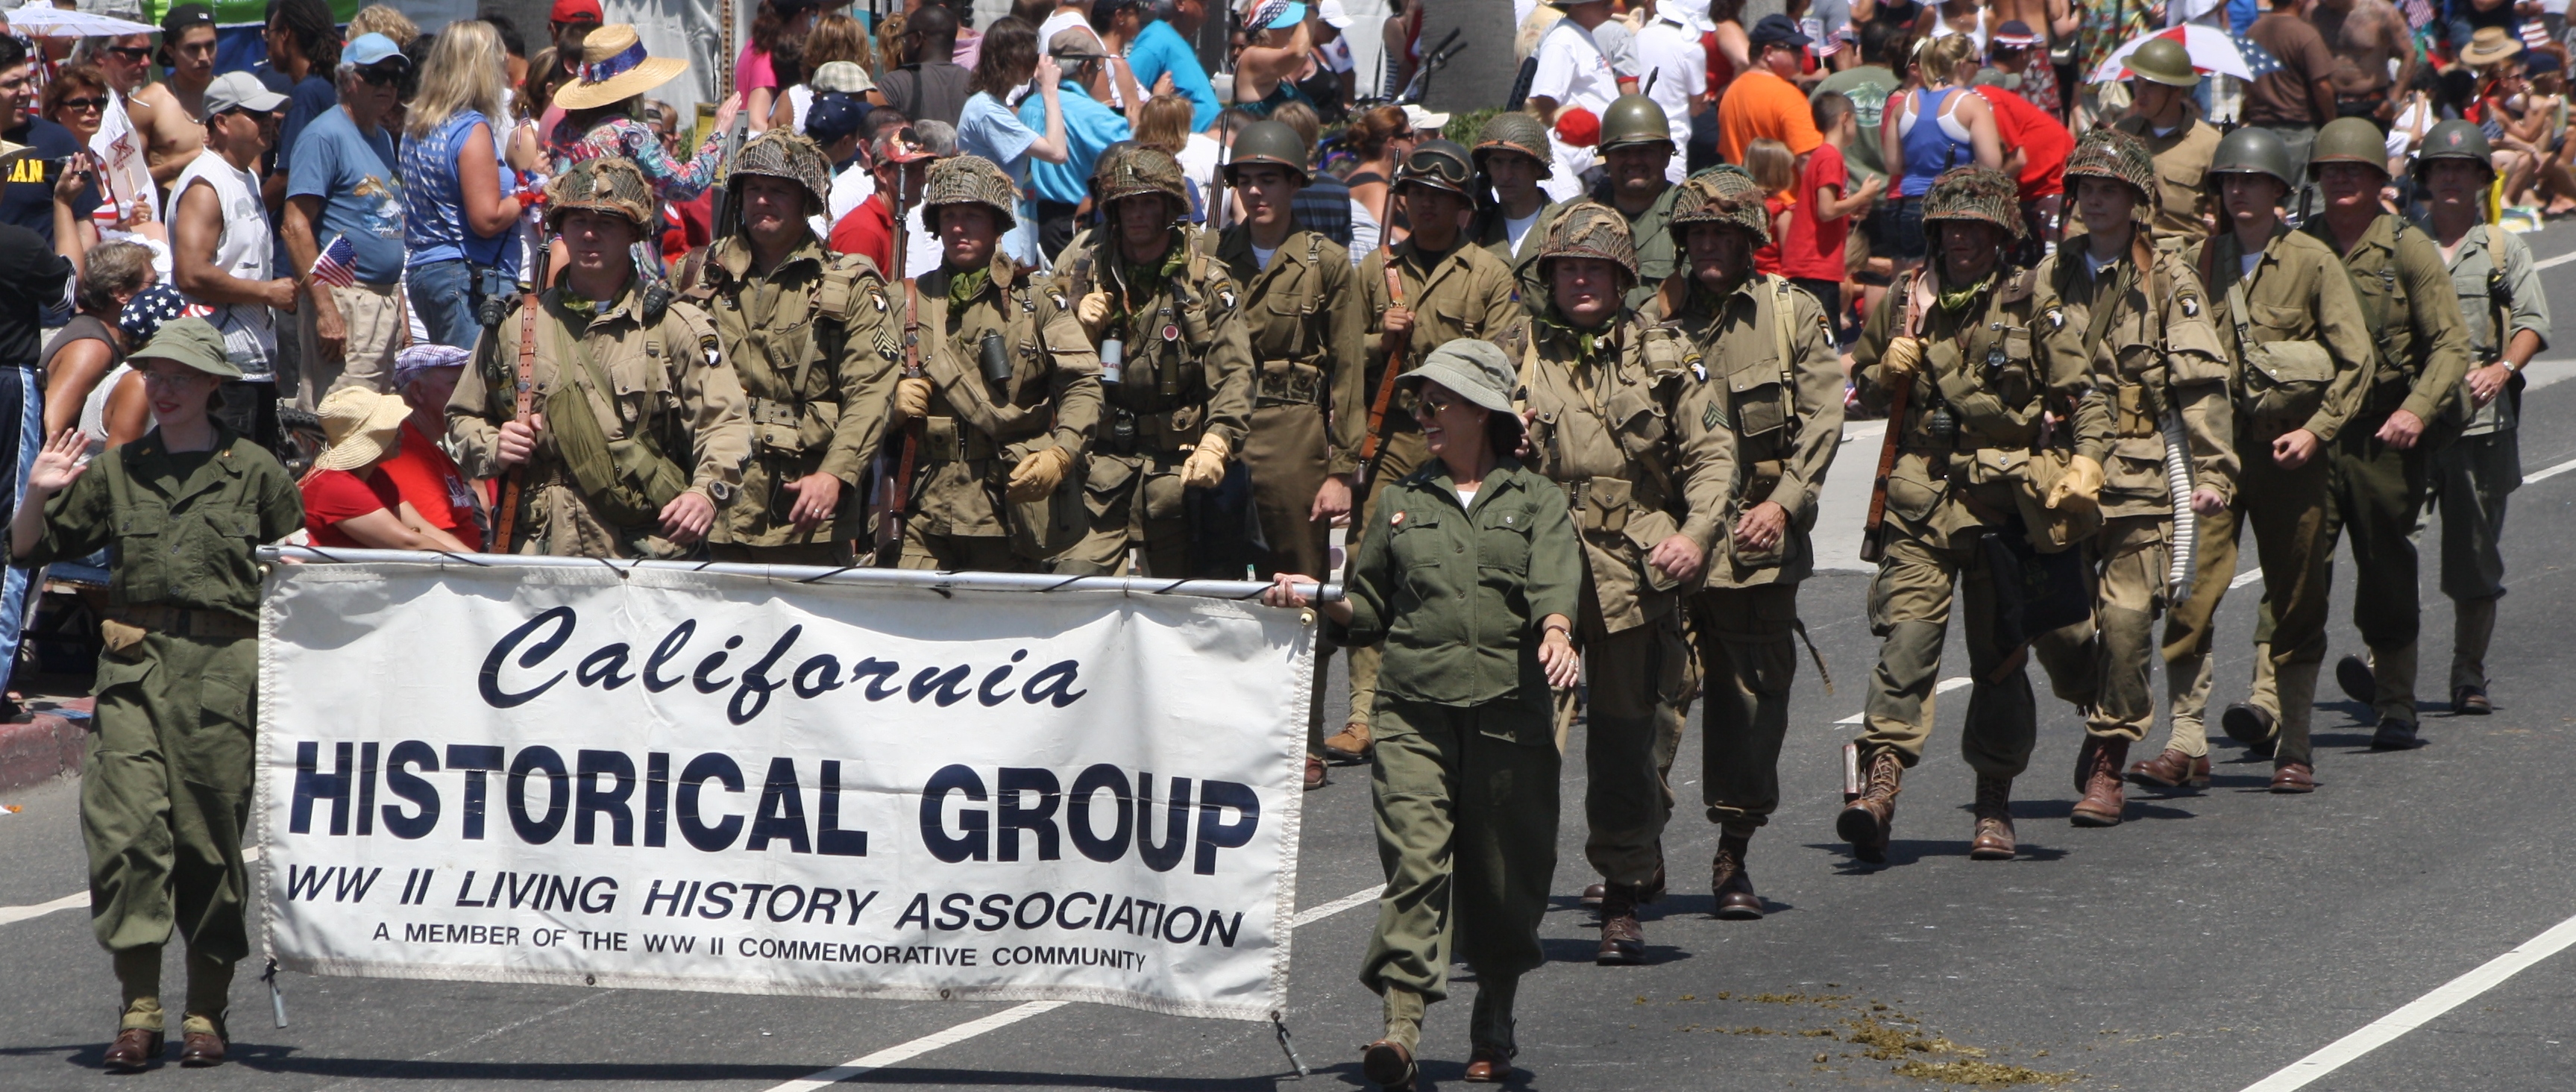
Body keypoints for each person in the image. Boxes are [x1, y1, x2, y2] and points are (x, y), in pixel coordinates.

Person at [1260, 338, 1582, 1092]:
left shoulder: (1536, 500)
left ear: (1483, 410)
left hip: (1508, 716)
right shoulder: (1403, 500)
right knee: (1415, 866)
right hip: (1413, 717)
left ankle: (1493, 1019)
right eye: (1422, 400)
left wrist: (1557, 633)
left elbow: (1554, 583)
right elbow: (1368, 604)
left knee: (1503, 876)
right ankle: (1400, 1031)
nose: (1424, 412)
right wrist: (1317, 595)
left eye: (1440, 400)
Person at [11, 316, 304, 1073]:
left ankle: (206, 1010)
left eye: (180, 377)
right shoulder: (120, 469)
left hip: (222, 674)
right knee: (125, 839)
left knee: (208, 848)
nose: (163, 389)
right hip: (133, 673)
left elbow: (298, 576)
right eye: (154, 375)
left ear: (214, 387)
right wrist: (37, 492)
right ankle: (139, 1012)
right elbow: (29, 547)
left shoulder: (256, 472)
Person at [1839, 166, 2111, 863]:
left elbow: (2082, 394)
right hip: (1918, 504)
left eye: (1976, 227)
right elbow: (1863, 391)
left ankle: (1994, 803)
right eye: (1951, 226)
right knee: (1906, 645)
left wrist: (2088, 460)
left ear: (2001, 234)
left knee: (1999, 662)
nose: (1962, 238)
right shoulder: (1904, 299)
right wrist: (1882, 374)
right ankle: (1880, 789)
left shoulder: (2031, 300)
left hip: (2002, 507)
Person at [1486, 202, 1716, 963]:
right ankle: (1508, 900)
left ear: (1622, 280)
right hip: (1531, 566)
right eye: (1567, 269)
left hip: (1629, 571)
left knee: (1623, 743)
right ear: (1548, 277)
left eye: (1595, 269)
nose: (1580, 281)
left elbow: (1712, 457)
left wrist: (1693, 535)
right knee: (1520, 745)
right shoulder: (1511, 354)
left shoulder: (1663, 354)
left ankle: (1622, 893)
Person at [2155, 127, 2371, 794]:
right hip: (2214, 455)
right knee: (2188, 593)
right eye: (2230, 180)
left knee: (2298, 599)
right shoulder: (2196, 261)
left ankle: (2295, 745)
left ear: (2280, 189)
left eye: (2252, 180)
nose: (2239, 191)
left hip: (2289, 455)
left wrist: (2317, 433)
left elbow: (2356, 361)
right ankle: (2186, 741)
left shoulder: (2312, 261)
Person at [2026, 129, 2233, 818]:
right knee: (2060, 632)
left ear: (2137, 200)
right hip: (2061, 474)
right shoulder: (2050, 275)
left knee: (2124, 623)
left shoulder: (2168, 278)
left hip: (2141, 472)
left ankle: (2108, 761)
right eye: (2086, 188)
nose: (2095, 201)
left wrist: (2214, 472)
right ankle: (2102, 708)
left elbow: (2201, 383)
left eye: (2109, 190)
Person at [1655, 169, 1841, 918]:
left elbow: (1824, 418)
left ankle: (1733, 852)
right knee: (1652, 700)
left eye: (1721, 233)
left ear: (1748, 241)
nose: (1707, 245)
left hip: (1756, 545)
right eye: (1696, 233)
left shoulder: (1790, 312)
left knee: (1752, 711)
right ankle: (1634, 848)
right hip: (1674, 544)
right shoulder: (1654, 320)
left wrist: (1785, 505)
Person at [1339, 141, 1524, 809]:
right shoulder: (1376, 270)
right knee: (1371, 567)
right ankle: (1364, 713)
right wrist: (1379, 341)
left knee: (1458, 568)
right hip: (1392, 437)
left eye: (1440, 197)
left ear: (1463, 206)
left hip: (1467, 442)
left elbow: (1506, 362)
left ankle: (1457, 695)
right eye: (1416, 194)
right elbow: (1344, 359)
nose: (1425, 205)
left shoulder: (1490, 274)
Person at [447, 157, 754, 559]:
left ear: (634, 232)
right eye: (578, 221)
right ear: (560, 229)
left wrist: (706, 493)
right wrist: (494, 444)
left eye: (606, 222)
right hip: (543, 547)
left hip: (640, 549)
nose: (590, 234)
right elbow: (462, 416)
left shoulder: (673, 325)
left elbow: (726, 421)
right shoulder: (517, 325)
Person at [2284, 118, 2472, 751]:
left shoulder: (2406, 247)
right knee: (2296, 569)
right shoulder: (2299, 246)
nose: (2341, 178)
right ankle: (2276, 707)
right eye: (2330, 169)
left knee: (2387, 569)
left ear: (2376, 179)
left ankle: (2395, 702)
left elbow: (2450, 344)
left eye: (2355, 170)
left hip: (2382, 437)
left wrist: (2417, 411)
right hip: (2313, 433)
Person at [1216, 120, 1364, 787]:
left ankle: (1302, 740)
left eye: (1269, 179)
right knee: (1225, 585)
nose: (1256, 192)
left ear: (1295, 184)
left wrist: (1342, 469)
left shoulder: (1325, 261)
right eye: (1246, 180)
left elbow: (1349, 369)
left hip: (1296, 428)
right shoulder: (1214, 255)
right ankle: (1233, 738)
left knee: (1300, 588)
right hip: (1222, 430)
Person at [882, 154, 1102, 570]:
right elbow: (859, 387)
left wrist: (1062, 453)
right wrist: (889, 405)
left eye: (972, 216)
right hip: (923, 509)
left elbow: (1082, 384)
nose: (958, 227)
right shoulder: (905, 301)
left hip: (1011, 511)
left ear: (998, 224)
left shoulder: (1037, 301)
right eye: (949, 216)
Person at [694, 131, 899, 565]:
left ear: (807, 201)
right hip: (714, 510)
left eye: (778, 190)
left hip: (806, 519)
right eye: (753, 188)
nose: (762, 200)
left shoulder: (849, 284)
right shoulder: (702, 276)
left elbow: (870, 393)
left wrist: (834, 475)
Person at [1054, 146, 1253, 576]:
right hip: (1101, 466)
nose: (1137, 215)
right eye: (1128, 205)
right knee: (1072, 581)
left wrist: (1219, 440)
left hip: (1179, 467)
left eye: (1148, 203)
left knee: (1184, 597)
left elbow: (1234, 372)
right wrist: (1076, 328)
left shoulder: (1204, 280)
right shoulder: (1084, 271)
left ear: (1168, 208)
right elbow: (1042, 363)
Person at [2415, 121, 2548, 719]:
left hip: (2479, 426)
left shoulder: (2501, 248)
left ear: (2479, 180)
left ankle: (2468, 672)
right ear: (2425, 177)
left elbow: (2533, 322)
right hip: (2411, 423)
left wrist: (2502, 368)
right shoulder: (2401, 244)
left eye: (2462, 168)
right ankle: (2384, 665)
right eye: (2440, 167)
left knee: (2474, 556)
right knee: (2390, 544)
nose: (2450, 176)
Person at [282, 34, 409, 413]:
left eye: (394, 76)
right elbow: (295, 226)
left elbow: (388, 227)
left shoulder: (383, 138)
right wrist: (325, 310)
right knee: (342, 420)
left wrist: (399, 306)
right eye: (376, 75)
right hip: (345, 298)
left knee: (377, 423)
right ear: (348, 79)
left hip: (382, 299)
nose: (388, 85)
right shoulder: (324, 135)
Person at [168, 72, 296, 451]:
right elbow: (191, 274)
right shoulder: (206, 184)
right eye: (257, 115)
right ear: (222, 122)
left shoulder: (248, 178)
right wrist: (266, 292)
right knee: (226, 477)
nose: (269, 122)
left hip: (253, 367)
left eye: (270, 115)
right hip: (219, 368)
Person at [402, 22, 526, 353]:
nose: (504, 67)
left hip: (427, 271)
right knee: (474, 379)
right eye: (497, 60)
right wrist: (530, 194)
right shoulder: (471, 128)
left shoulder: (417, 125)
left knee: (451, 376)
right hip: (467, 277)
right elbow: (487, 219)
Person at [548, 25, 740, 201]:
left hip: (570, 225)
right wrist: (718, 135)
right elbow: (684, 186)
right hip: (616, 226)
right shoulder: (629, 133)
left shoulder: (564, 129)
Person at [1879, 34, 1997, 274]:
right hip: (1956, 206)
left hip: (1911, 205)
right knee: (1952, 279)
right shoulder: (1971, 104)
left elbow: (1893, 165)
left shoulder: (1905, 103)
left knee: (1912, 280)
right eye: (1978, 62)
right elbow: (1992, 165)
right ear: (1962, 65)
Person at [958, 18, 1070, 267]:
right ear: (1014, 59)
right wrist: (1049, 90)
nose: (1036, 61)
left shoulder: (994, 107)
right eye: (1031, 54)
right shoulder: (986, 110)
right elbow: (1057, 152)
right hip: (994, 231)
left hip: (1004, 224)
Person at [300, 387, 471, 551]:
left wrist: (479, 563)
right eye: (395, 429)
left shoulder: (375, 476)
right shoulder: (337, 485)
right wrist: (471, 566)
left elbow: (425, 530)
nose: (402, 434)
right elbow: (410, 543)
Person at [42, 241, 154, 449]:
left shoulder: (106, 337)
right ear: (121, 293)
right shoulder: (92, 348)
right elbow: (50, 426)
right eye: (152, 284)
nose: (159, 291)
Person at [1028, 36, 1134, 255]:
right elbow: (1133, 160)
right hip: (1080, 223)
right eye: (1098, 68)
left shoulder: (1029, 106)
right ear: (1085, 67)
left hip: (1033, 221)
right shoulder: (1098, 116)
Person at [2112, 37, 2222, 245]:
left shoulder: (2210, 145)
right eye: (2137, 82)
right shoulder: (2119, 135)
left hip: (2183, 257)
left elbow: (2226, 220)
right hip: (2124, 252)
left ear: (2175, 89)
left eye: (2151, 85)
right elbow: (2087, 210)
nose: (2140, 93)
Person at [1786, 92, 1881, 327]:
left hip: (1814, 266)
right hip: (1815, 266)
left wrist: (1851, 209)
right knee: (1824, 339)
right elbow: (1826, 210)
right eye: (1855, 121)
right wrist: (1862, 195)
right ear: (1845, 119)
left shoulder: (1824, 156)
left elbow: (1825, 209)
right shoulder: (1830, 157)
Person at [381, 344, 487, 549]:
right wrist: (487, 567)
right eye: (457, 384)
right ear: (418, 391)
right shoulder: (405, 448)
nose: (469, 394)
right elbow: (431, 537)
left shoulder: (428, 447)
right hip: (452, 566)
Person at [1969, 66, 2071, 262]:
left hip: (2051, 182)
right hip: (2027, 190)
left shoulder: (1988, 99)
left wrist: (1986, 197)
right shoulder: (1983, 101)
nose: (2012, 95)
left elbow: (2018, 159)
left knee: (2054, 262)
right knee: (2022, 262)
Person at [1593, 95, 1686, 310]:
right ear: (1607, 158)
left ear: (1666, 156)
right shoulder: (1579, 218)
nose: (1633, 160)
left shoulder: (1688, 217)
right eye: (1622, 152)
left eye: (1644, 151)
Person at [2241, 0, 2337, 206]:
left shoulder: (2252, 32)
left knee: (2266, 204)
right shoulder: (2304, 33)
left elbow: (2245, 80)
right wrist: (2331, 123)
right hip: (2298, 133)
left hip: (2260, 133)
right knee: (2304, 206)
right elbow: (2322, 86)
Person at [1468, 111, 1572, 300]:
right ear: (1487, 168)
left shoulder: (1565, 227)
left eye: (1517, 163)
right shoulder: (1476, 229)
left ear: (1537, 167)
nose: (1506, 175)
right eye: (1497, 162)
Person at [0, 36, 92, 243]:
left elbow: (84, 227)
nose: (27, 91)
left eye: (28, 80)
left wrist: (74, 265)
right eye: (13, 84)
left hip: (44, 263)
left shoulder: (57, 141)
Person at [1718, 15, 1826, 166]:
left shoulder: (1732, 92)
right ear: (1768, 53)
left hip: (1741, 181)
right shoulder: (1788, 96)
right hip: (1781, 182)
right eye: (1794, 48)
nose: (1802, 54)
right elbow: (1808, 159)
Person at [132, 4, 217, 186]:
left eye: (210, 46)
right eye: (193, 48)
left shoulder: (231, 95)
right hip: (170, 202)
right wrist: (183, 164)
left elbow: (255, 167)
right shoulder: (147, 103)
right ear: (170, 51)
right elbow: (129, 179)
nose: (204, 57)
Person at [832, 124, 937, 272]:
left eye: (922, 169)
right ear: (881, 174)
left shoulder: (889, 223)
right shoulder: (863, 232)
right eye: (910, 170)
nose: (922, 179)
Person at [1114, 0, 1221, 128]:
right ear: (1180, 3)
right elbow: (1126, 101)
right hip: (1178, 139)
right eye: (1201, 2)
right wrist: (1157, 99)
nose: (1207, 4)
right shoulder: (1155, 40)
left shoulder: (1174, 38)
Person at [1636, 0, 1708, 183]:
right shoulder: (1692, 49)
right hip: (1670, 142)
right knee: (1670, 199)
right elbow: (1696, 104)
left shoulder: (1641, 35)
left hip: (1634, 133)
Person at [2313, 0, 2415, 126]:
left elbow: (2409, 55)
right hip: (2330, 105)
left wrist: (2394, 100)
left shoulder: (2382, 12)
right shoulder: (2319, 14)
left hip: (2370, 106)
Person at [879, 3, 973, 128]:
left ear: (917, 39)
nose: (904, 45)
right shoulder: (974, 83)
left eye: (906, 39)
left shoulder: (895, 84)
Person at [743, 0, 824, 133]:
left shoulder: (754, 45)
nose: (810, 28)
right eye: (811, 16)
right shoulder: (766, 61)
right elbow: (755, 123)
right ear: (802, 14)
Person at [1233, 0, 1319, 118]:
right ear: (1273, 29)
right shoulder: (1251, 57)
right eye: (1288, 24)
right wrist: (1313, 8)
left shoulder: (1273, 63)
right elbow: (1297, 53)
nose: (1292, 28)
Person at [1341, 105, 1413, 237]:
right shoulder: (1375, 189)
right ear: (1392, 143)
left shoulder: (1361, 175)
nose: (1413, 142)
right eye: (1409, 136)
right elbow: (1382, 231)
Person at [1745, 137, 1797, 273]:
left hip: (1744, 276)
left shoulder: (1741, 205)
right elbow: (1790, 258)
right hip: (1773, 278)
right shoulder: (1781, 213)